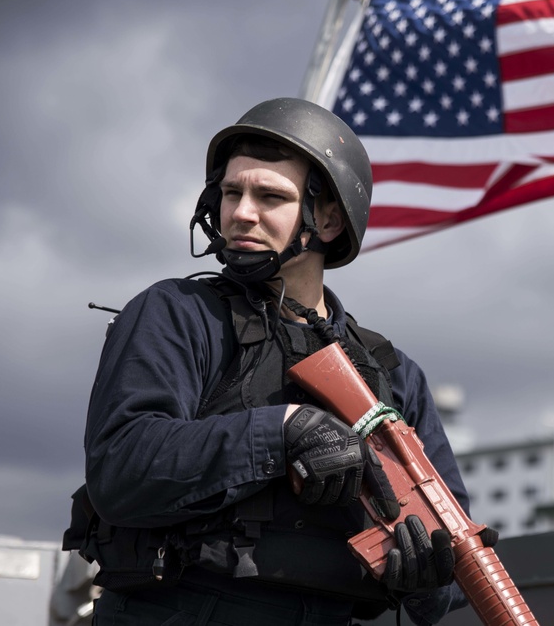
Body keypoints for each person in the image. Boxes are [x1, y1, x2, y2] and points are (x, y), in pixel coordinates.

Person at [65, 98, 471, 625]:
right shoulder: (178, 314)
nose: (240, 213)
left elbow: (457, 550)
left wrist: (425, 579)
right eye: (231, 192)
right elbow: (122, 467)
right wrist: (282, 431)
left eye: (269, 196)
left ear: (327, 220)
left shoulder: (392, 375)